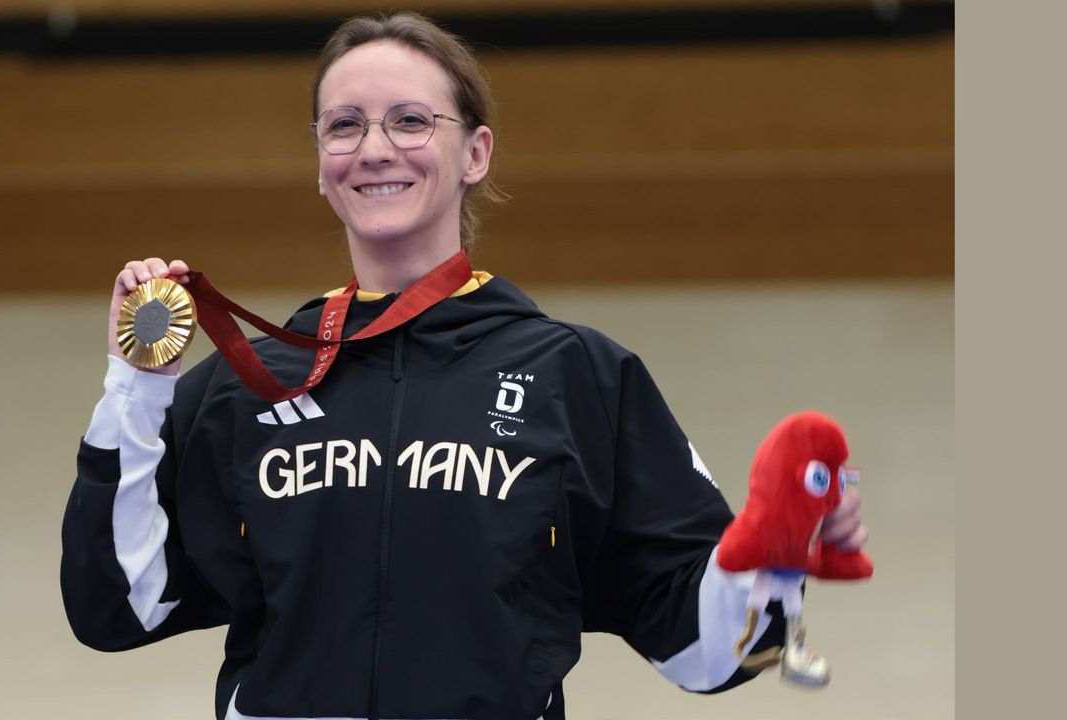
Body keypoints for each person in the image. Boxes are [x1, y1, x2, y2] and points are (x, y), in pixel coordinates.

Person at [60, 11, 869, 720]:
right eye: (343, 126)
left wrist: (775, 550)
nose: (375, 148)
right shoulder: (251, 384)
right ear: (318, 163)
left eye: (411, 121)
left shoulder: (577, 376)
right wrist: (138, 390)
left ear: (475, 151)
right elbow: (115, 606)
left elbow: (706, 653)